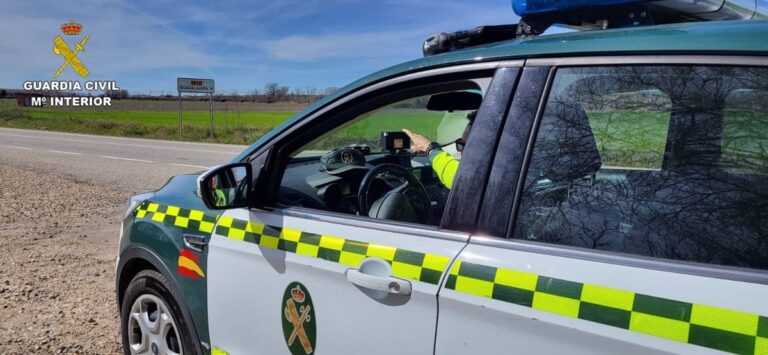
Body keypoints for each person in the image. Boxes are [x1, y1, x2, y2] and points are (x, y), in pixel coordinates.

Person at [403, 111, 475, 189]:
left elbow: (459, 177)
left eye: (467, 145)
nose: (460, 151)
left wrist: (429, 147)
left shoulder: (475, 177)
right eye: (460, 143)